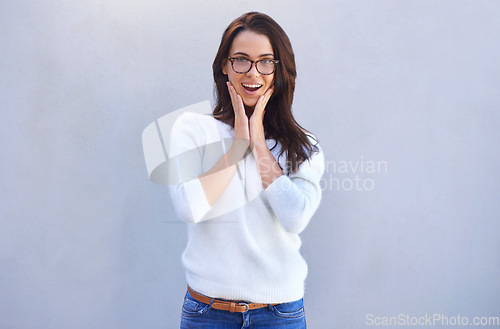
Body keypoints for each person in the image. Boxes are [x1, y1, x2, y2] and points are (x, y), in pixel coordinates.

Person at [167, 11, 325, 328]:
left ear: (279, 71)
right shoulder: (192, 129)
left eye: (266, 61)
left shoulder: (304, 145)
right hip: (207, 314)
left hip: (280, 315)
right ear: (224, 65)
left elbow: (295, 218)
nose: (253, 72)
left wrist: (260, 147)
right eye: (241, 59)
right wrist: (238, 146)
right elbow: (189, 207)